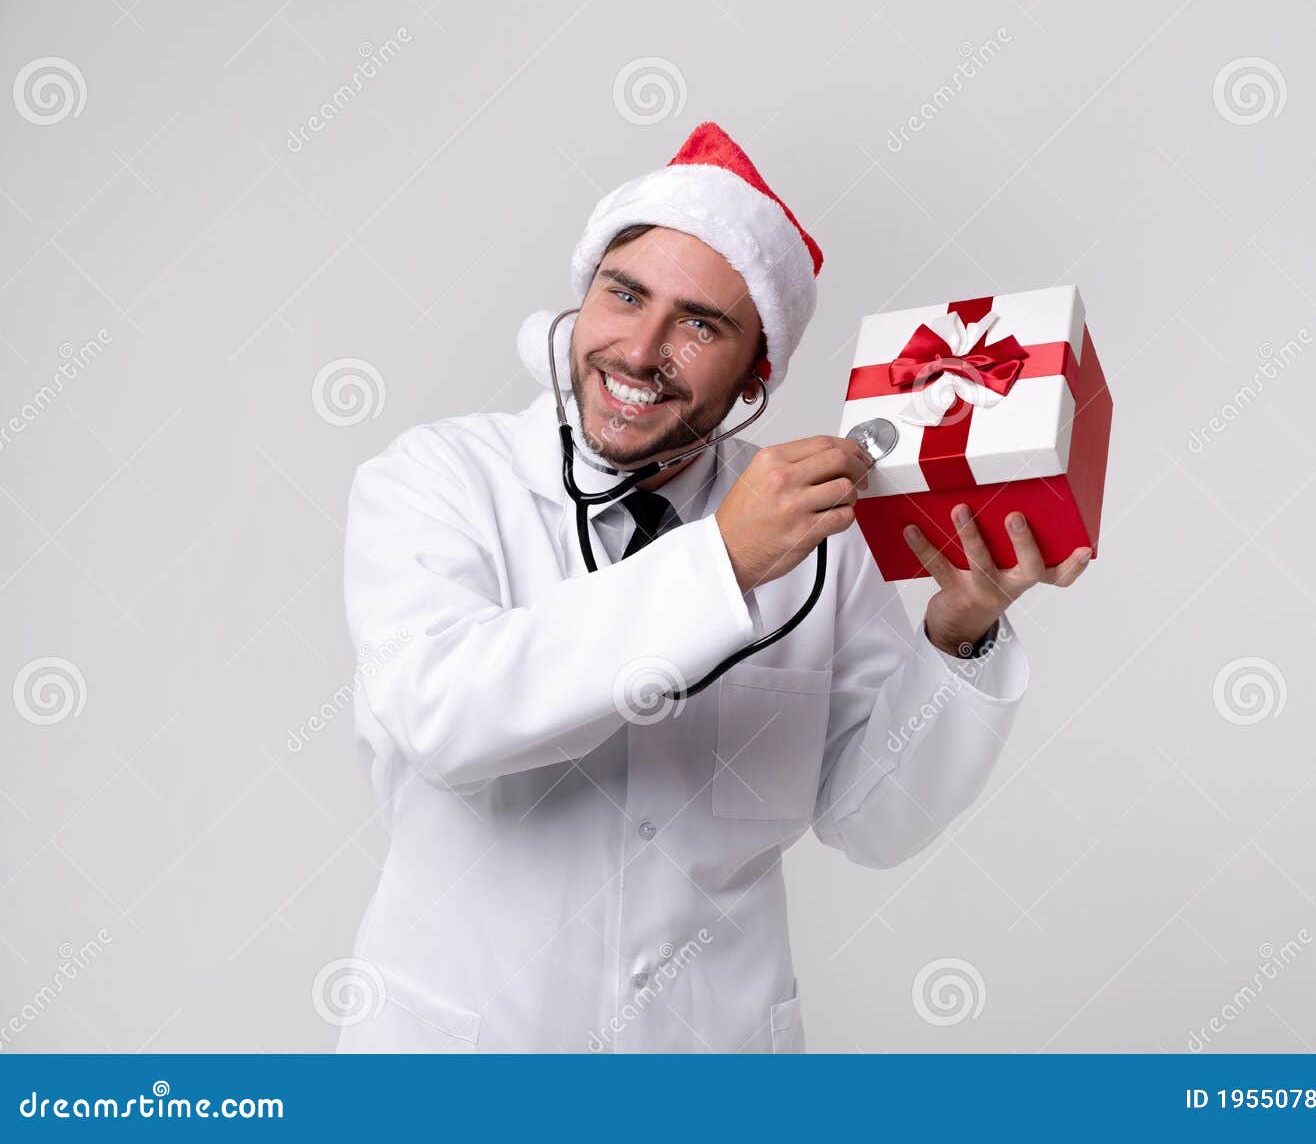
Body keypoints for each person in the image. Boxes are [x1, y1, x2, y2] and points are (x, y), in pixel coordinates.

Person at [336, 121, 1091, 1053]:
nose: (642, 349)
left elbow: (874, 819)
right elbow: (442, 717)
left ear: (751, 379)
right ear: (584, 299)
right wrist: (721, 562)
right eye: (625, 295)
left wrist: (959, 634)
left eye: (701, 324)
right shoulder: (436, 478)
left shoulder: (815, 530)